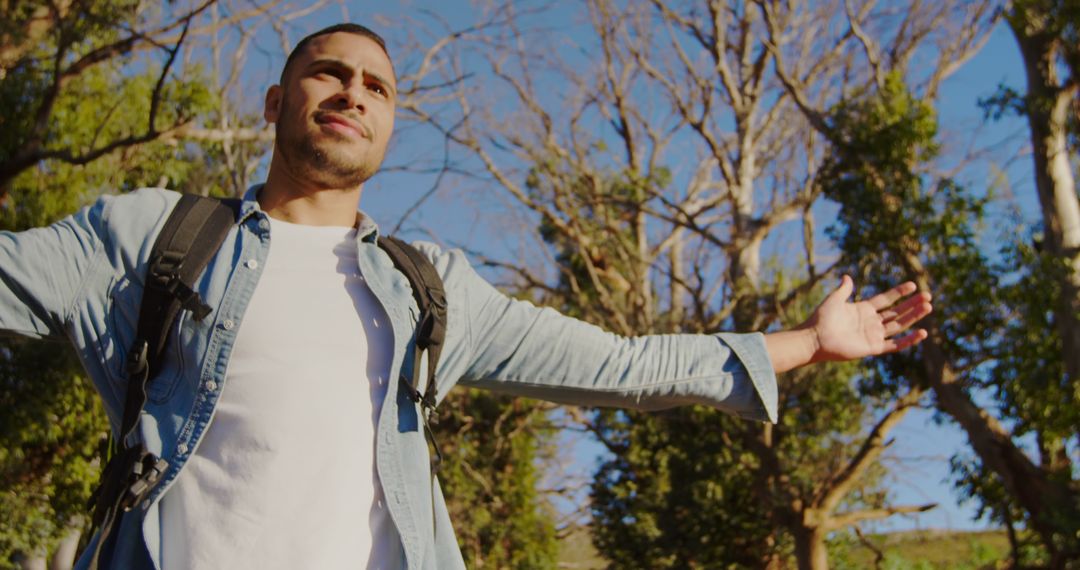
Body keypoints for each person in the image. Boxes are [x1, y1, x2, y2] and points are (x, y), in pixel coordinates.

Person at [0, 23, 932, 570]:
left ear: (387, 127)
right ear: (279, 101)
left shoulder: (428, 286)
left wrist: (805, 343)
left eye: (377, 86)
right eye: (330, 73)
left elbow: (621, 365)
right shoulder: (151, 237)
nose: (353, 92)